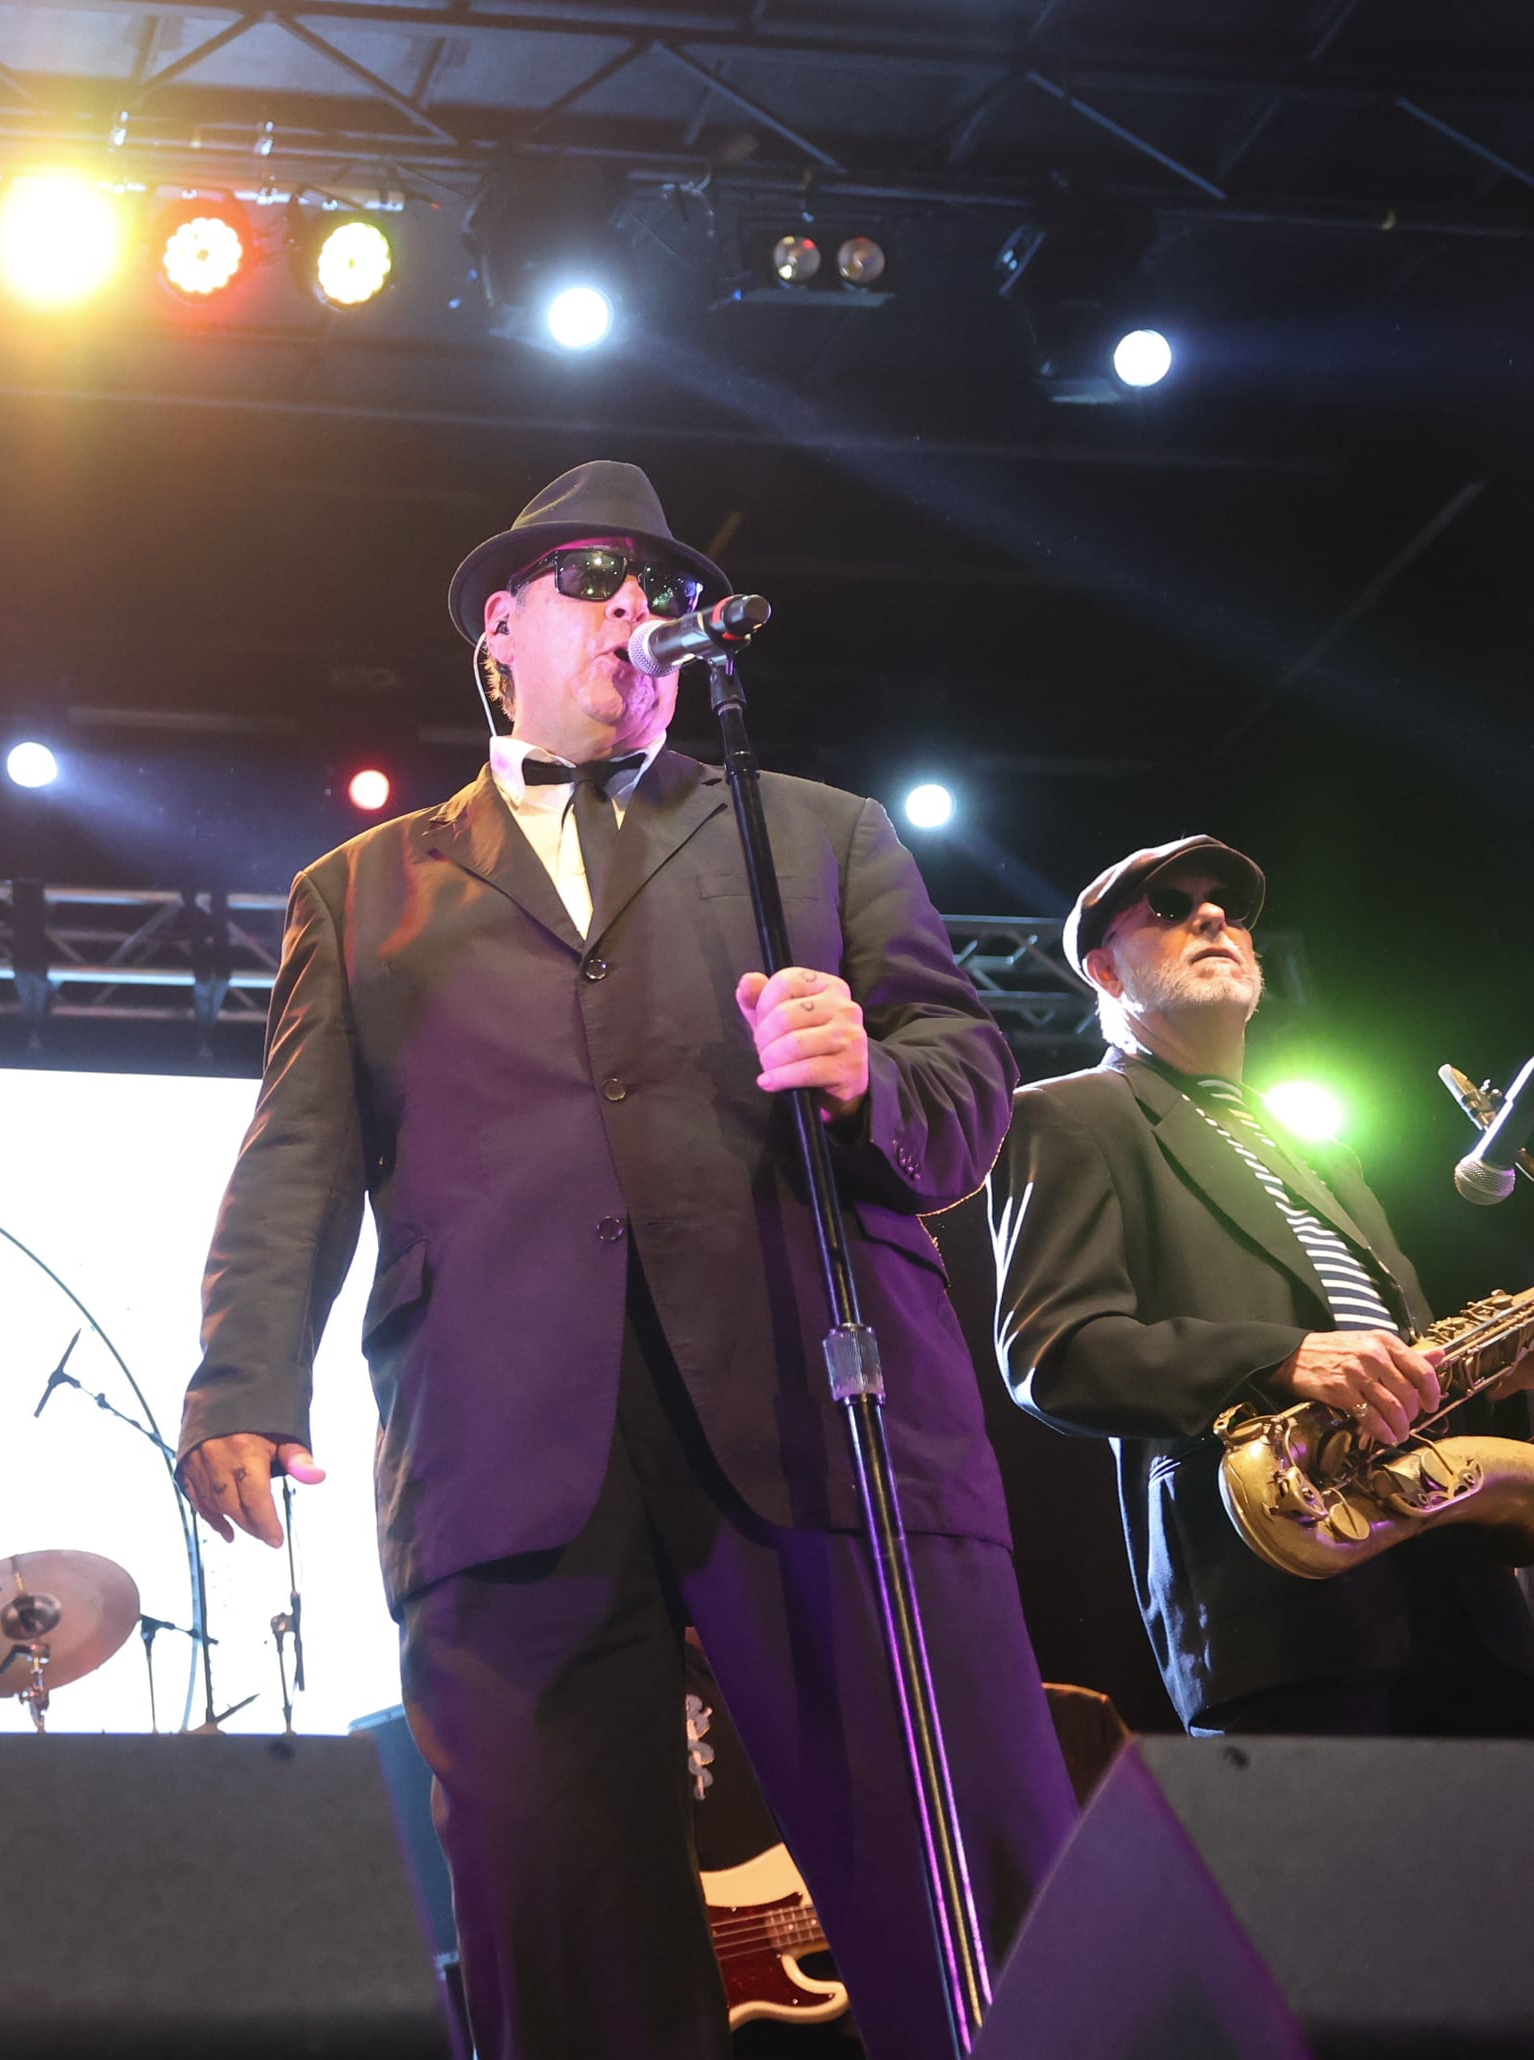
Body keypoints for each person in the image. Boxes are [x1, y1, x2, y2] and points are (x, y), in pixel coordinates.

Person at [177, 461, 1077, 2060]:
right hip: (506, 1444)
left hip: (822, 1411)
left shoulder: (815, 834)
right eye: (588, 581)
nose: (629, 612)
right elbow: (295, 1160)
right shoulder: (363, 892)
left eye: (651, 586)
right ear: (497, 629)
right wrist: (242, 1380)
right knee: (559, 1925)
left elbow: (968, 1086)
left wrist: (872, 1070)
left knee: (963, 1891)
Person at [989, 836, 1534, 1737]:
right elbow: (1055, 1355)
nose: (1214, 918)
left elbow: (1401, 1368)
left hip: (1462, 1602)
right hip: (1282, 1604)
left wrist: (1497, 1389)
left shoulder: (1327, 1155)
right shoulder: (1068, 1114)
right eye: (1168, 906)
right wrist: (1281, 1358)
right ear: (1105, 971)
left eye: (1229, 909)